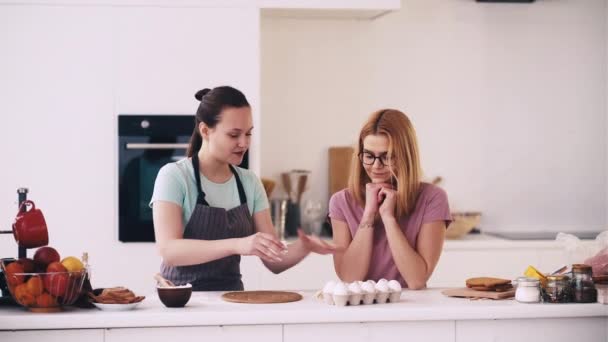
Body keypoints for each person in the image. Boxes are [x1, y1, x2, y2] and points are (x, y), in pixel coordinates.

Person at [150, 86, 338, 291]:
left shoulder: (249, 183)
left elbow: (273, 260)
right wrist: (238, 244)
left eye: (248, 134)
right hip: (181, 300)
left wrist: (304, 246)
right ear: (205, 130)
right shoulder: (174, 176)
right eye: (234, 135)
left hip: (232, 299)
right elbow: (169, 250)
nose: (244, 143)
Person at [328, 109, 451, 290]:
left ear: (405, 156)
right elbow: (349, 277)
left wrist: (388, 218)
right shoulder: (341, 202)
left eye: (387, 157)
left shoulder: (433, 199)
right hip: (359, 309)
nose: (376, 166)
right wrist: (369, 215)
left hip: (411, 308)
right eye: (369, 156)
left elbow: (416, 280)